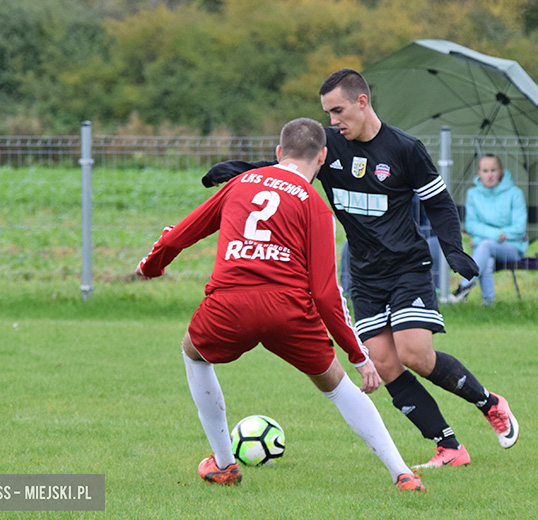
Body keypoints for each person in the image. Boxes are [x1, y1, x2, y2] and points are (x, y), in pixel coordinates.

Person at [202, 69, 519, 468]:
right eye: (327, 114)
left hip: (407, 266)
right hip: (364, 273)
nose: (332, 122)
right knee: (385, 363)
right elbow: (287, 170)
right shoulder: (329, 147)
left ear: (362, 102)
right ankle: (449, 447)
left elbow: (439, 204)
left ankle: (489, 403)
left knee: (415, 353)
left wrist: (453, 251)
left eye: (337, 111)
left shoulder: (405, 149)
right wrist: (241, 170)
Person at [135, 118, 425, 491]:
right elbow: (325, 293)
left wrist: (151, 265)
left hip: (231, 302)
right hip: (288, 310)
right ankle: (401, 473)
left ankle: (224, 465)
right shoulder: (316, 206)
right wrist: (357, 356)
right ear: (322, 156)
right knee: (337, 386)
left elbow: (180, 235)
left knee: (194, 354)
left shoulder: (240, 183)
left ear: (278, 153)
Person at [451, 154, 527, 305]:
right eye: (485, 171)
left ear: (501, 172)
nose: (490, 175)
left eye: (494, 170)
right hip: (486, 247)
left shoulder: (515, 193)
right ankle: (489, 304)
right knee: (487, 258)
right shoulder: (472, 194)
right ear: (478, 173)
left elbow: (519, 228)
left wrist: (484, 237)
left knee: (485, 246)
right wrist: (498, 234)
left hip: (512, 247)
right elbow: (471, 225)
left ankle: (465, 285)